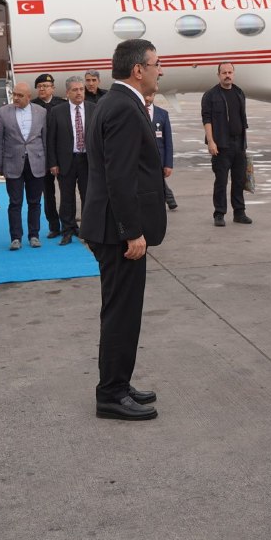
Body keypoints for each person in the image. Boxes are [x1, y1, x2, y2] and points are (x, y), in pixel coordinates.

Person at [82, 39, 166, 421]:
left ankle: (118, 382)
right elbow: (120, 176)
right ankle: (111, 394)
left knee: (122, 311)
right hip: (118, 233)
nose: (159, 71)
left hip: (110, 226)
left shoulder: (112, 103)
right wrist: (132, 231)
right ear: (138, 70)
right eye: (155, 64)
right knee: (121, 313)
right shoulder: (124, 108)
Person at [0, 82, 48, 250]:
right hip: (12, 163)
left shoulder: (41, 112)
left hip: (36, 162)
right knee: (15, 202)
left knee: (35, 202)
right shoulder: (3, 113)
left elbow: (45, 139)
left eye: (19, 95)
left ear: (29, 97)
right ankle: (16, 237)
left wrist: (48, 163)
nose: (15, 98)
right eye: (14, 94)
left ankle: (34, 235)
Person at [201, 63, 251, 227]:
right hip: (221, 146)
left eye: (230, 72)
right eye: (224, 73)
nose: (227, 75)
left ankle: (239, 212)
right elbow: (206, 120)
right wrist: (211, 141)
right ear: (218, 75)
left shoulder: (239, 93)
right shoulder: (210, 95)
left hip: (239, 144)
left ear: (234, 74)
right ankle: (219, 214)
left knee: (239, 180)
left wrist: (244, 145)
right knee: (221, 181)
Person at [46, 76, 93, 244]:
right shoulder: (57, 111)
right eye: (75, 90)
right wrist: (53, 163)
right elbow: (50, 139)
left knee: (88, 196)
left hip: (88, 161)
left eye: (81, 89)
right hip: (66, 161)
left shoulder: (93, 109)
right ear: (67, 92)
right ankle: (67, 229)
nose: (79, 92)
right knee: (67, 197)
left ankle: (88, 230)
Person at [32, 74, 64, 240]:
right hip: (43, 157)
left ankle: (69, 224)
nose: (43, 89)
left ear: (53, 88)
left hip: (61, 155)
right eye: (40, 86)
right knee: (48, 194)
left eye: (46, 86)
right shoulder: (33, 106)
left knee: (66, 193)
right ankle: (54, 226)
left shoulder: (62, 104)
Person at [145, 91, 178, 210]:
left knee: (158, 181)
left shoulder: (162, 114)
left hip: (159, 158)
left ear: (154, 95)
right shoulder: (136, 112)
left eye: (150, 95)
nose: (148, 98)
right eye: (145, 95)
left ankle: (168, 198)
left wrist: (168, 164)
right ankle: (168, 199)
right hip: (143, 158)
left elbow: (168, 142)